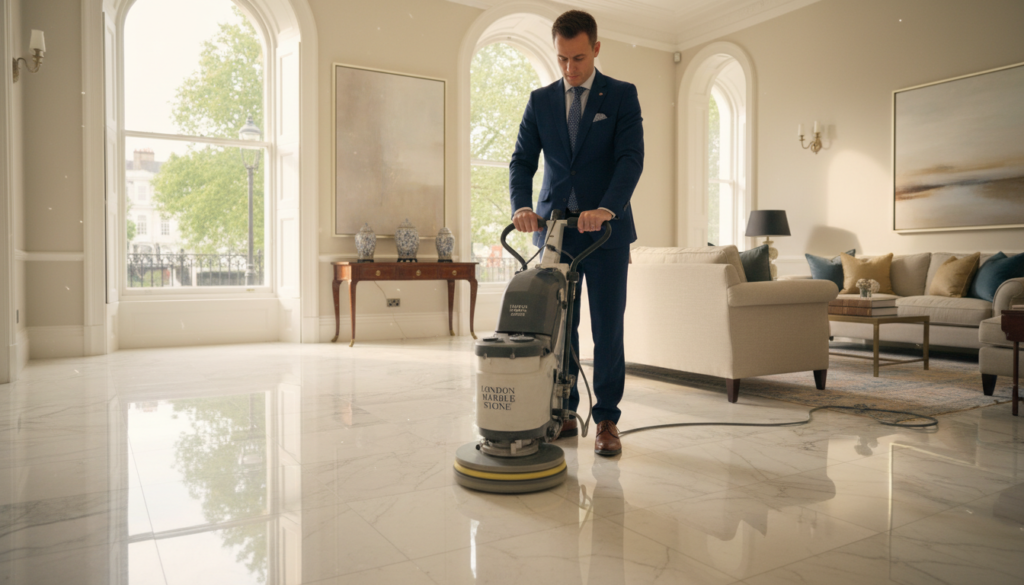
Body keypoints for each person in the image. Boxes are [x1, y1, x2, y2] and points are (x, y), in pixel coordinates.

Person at [509, 10, 643, 456]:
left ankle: (606, 418)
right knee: (559, 328)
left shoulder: (622, 96)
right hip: (556, 233)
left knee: (607, 328)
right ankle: (564, 410)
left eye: (579, 58)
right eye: (563, 59)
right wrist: (523, 207)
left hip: (604, 234)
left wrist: (606, 207)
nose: (570, 69)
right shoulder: (541, 100)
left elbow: (630, 159)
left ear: (597, 49)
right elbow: (522, 162)